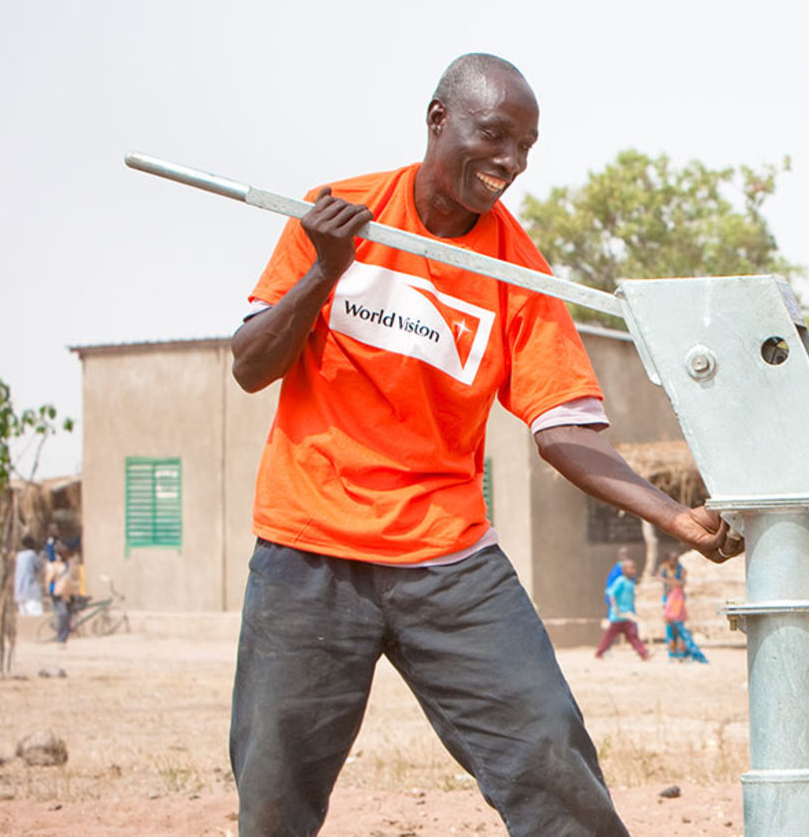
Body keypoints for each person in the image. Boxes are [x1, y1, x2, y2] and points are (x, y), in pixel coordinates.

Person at [223, 54, 740, 837]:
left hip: (448, 559)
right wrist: (324, 273)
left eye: (526, 147)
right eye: (494, 136)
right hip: (309, 550)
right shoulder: (338, 214)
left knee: (548, 757)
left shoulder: (516, 272)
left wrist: (671, 517)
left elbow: (564, 430)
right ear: (438, 120)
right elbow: (251, 365)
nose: (510, 163)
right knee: (272, 798)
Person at [656, 552, 707, 664]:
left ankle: (682, 654)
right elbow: (659, 577)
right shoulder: (664, 568)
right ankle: (672, 654)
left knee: (679, 628)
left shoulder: (681, 569)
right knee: (670, 629)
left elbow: (683, 583)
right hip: (668, 598)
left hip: (677, 600)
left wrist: (673, 583)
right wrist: (672, 582)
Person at [595, 559, 650, 661]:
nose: (633, 570)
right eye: (630, 568)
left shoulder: (631, 583)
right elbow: (611, 594)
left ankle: (643, 653)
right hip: (617, 616)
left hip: (627, 615)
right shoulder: (620, 581)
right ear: (624, 570)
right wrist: (616, 609)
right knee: (609, 636)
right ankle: (600, 653)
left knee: (633, 635)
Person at [13, 535, 44, 617]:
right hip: (30, 591)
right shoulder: (31, 554)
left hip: (19, 590)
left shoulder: (19, 555)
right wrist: (41, 554)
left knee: (24, 618)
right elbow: (39, 566)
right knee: (36, 616)